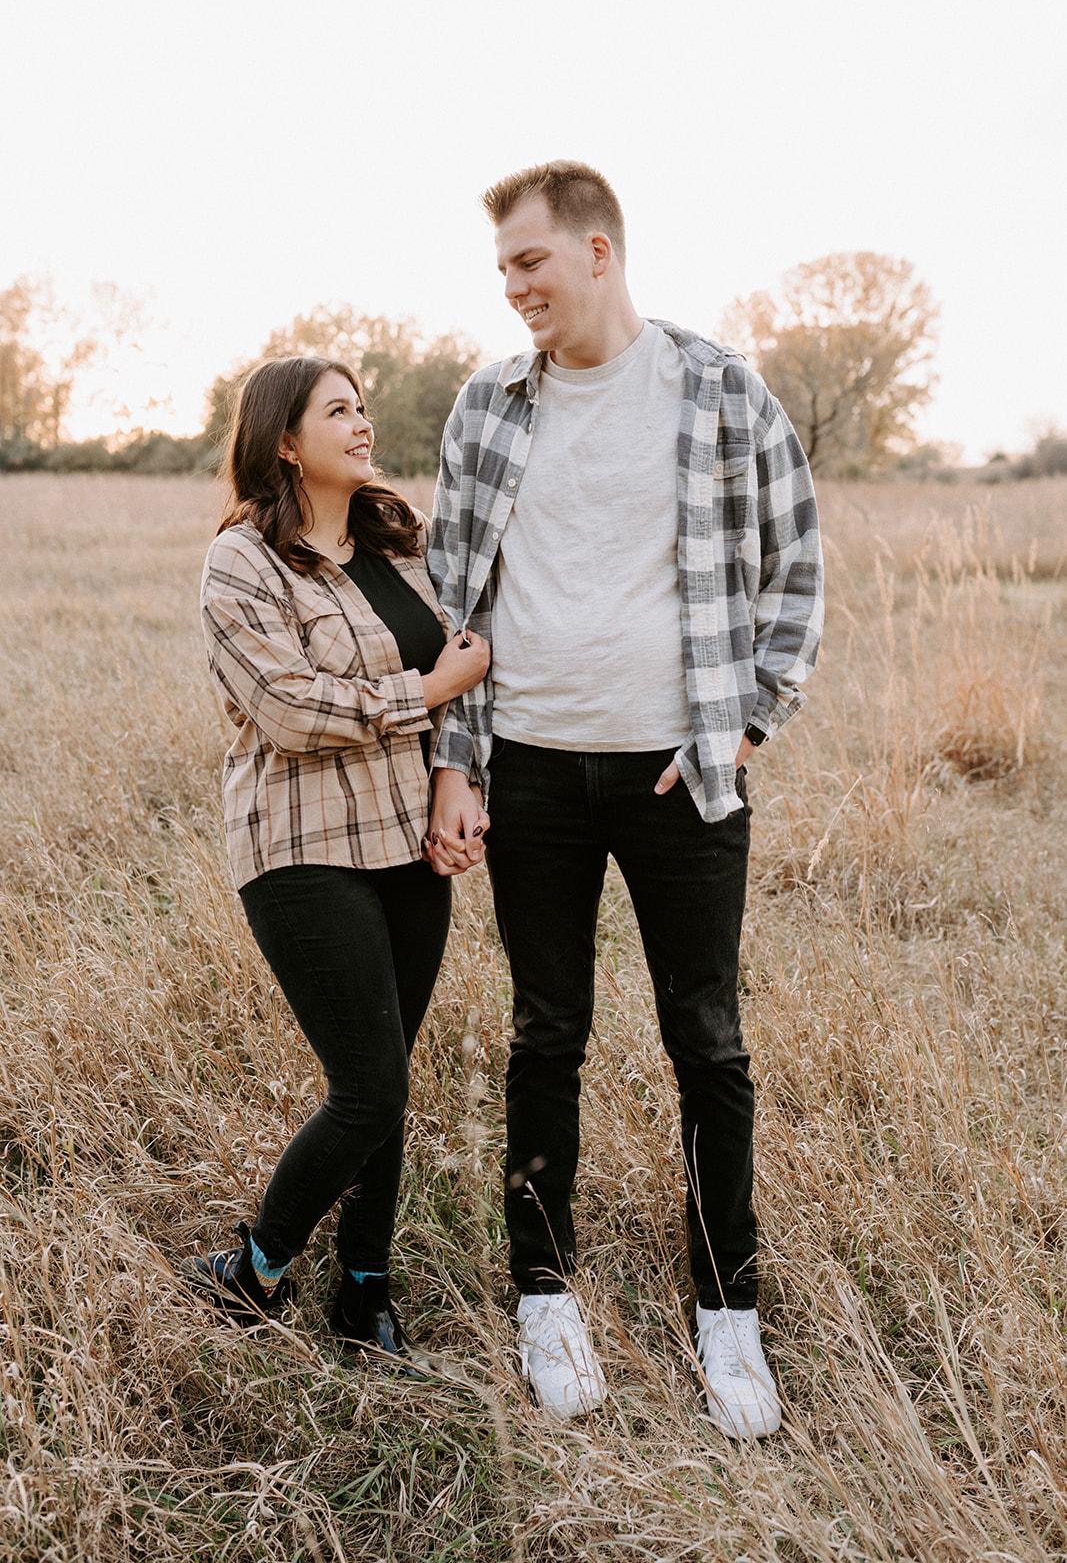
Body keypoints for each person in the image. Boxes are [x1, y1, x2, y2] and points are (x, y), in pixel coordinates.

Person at [425, 162, 823, 1435]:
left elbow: (794, 564)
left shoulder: (716, 389)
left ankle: (727, 1312)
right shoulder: (488, 405)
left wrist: (744, 722)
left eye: (529, 261)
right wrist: (456, 761)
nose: (512, 287)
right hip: (531, 766)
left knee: (706, 1041)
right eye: (501, 269)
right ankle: (544, 1297)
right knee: (546, 1034)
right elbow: (451, 595)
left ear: (597, 251)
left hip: (677, 773)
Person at [183, 355, 489, 1360]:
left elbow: (475, 658)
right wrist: (426, 694)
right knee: (370, 1087)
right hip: (301, 847)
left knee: (386, 1075)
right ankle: (256, 1267)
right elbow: (288, 707)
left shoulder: (401, 543)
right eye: (338, 411)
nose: (363, 424)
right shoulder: (243, 562)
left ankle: (364, 1293)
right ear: (283, 440)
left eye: (364, 407)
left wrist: (455, 777)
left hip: (407, 841)